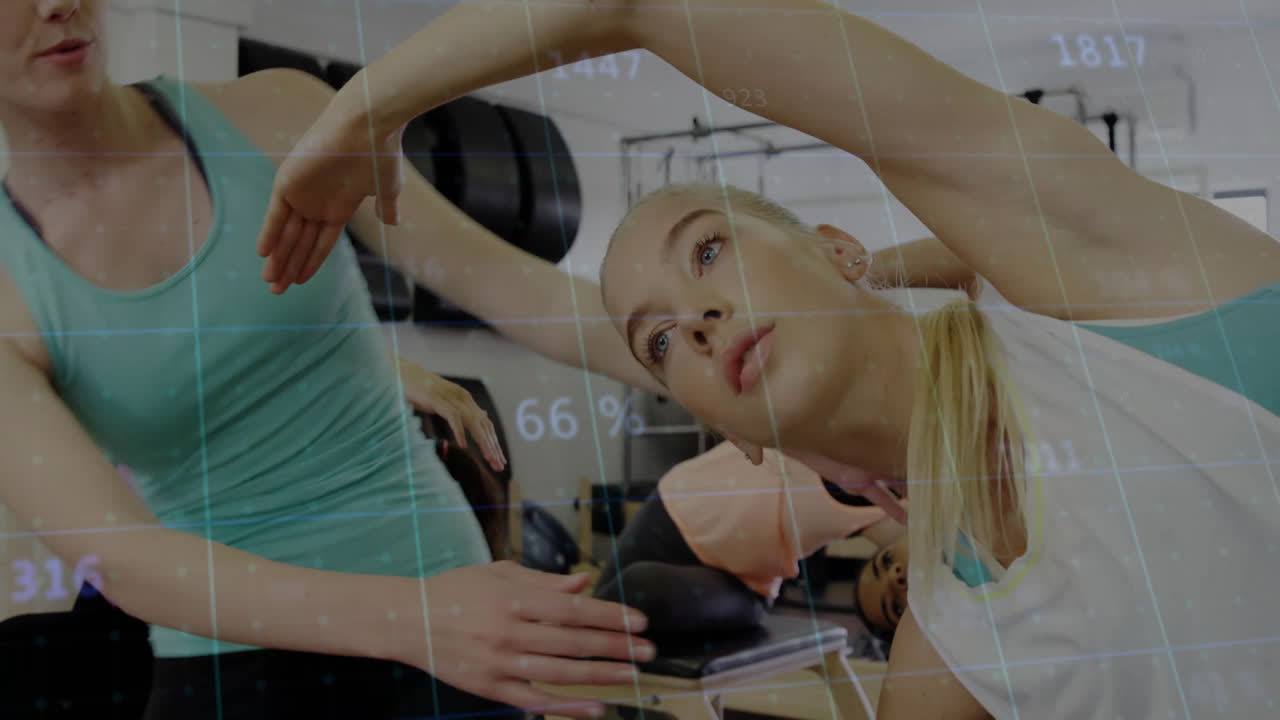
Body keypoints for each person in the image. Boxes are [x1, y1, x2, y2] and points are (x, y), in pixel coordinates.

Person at [262, 1, 1280, 718]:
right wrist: (352, 195)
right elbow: (515, 294)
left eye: (710, 249)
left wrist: (361, 108)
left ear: (840, 252)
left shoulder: (1116, 291)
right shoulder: (953, 635)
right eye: (657, 343)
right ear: (732, 439)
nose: (696, 319)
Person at [0, 2, 664, 719]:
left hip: (445, 597)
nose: (55, 3)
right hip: (235, 652)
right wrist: (415, 619)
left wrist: (709, 372)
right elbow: (126, 560)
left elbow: (518, 289)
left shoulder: (277, 113)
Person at [593, 441, 901, 634]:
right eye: (885, 564)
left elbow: (912, 552)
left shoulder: (888, 518)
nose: (898, 578)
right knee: (595, 623)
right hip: (670, 509)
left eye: (896, 608)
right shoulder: (830, 419)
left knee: (632, 596)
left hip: (736, 586)